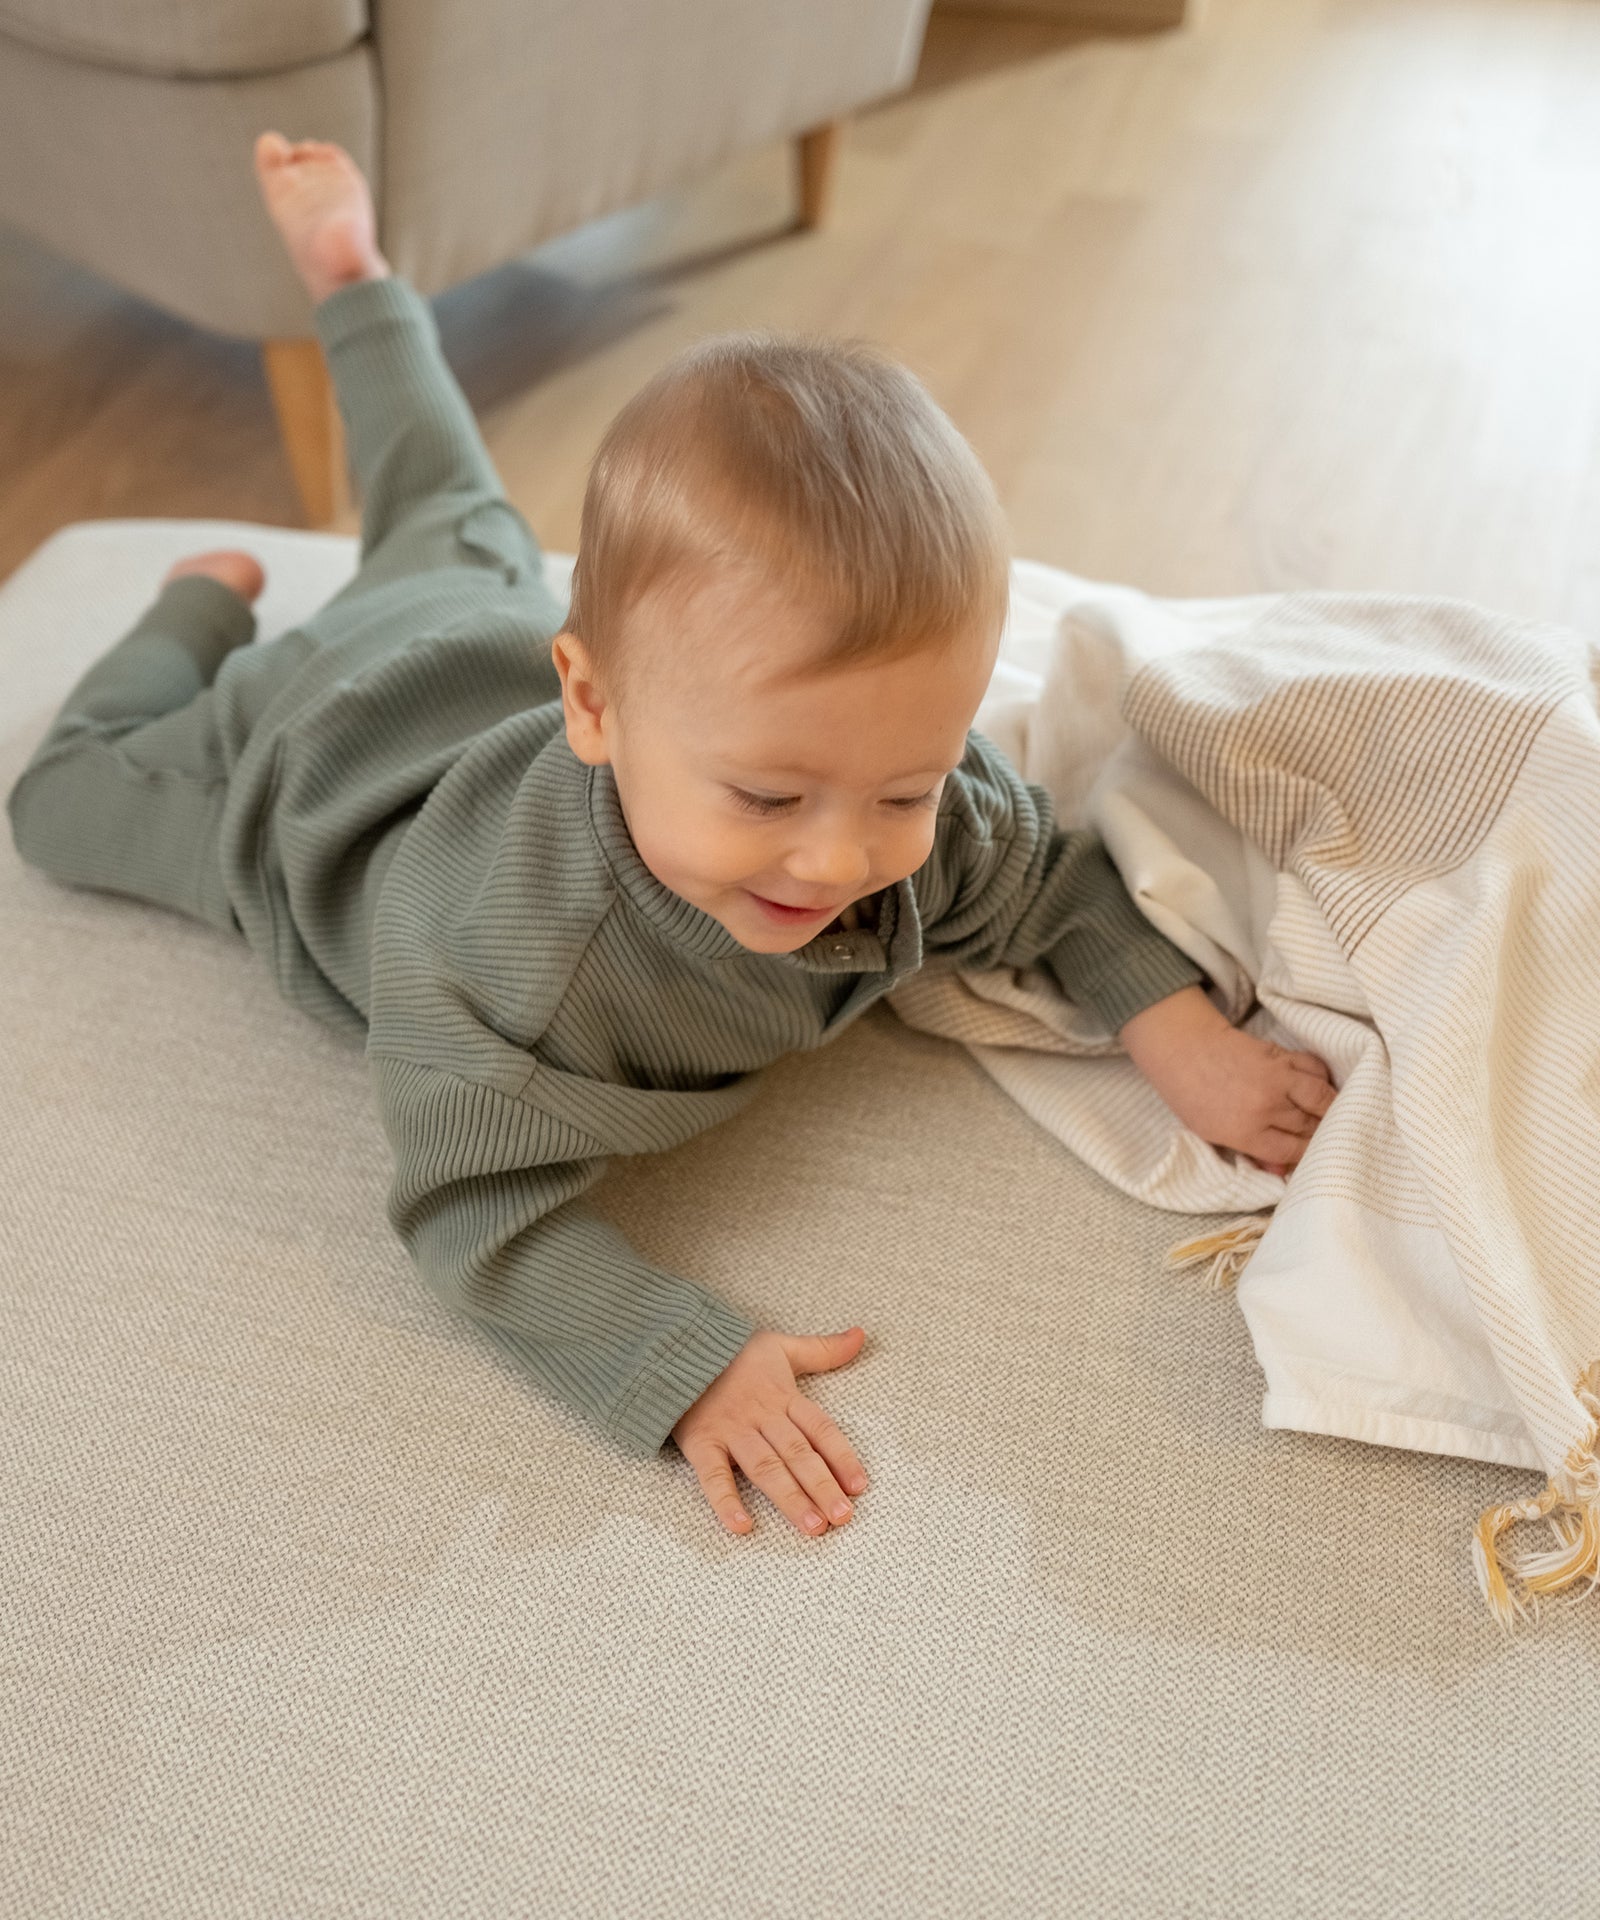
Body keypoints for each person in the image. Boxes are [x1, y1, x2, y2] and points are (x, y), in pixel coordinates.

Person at [7, 132, 1336, 1543]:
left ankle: (353, 274)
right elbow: (473, 1216)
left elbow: (1042, 880)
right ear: (593, 706)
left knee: (446, 512)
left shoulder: (909, 799)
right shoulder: (515, 974)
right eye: (767, 800)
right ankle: (195, 608)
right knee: (58, 805)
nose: (839, 862)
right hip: (308, 761)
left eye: (904, 789)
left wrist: (1179, 1032)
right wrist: (682, 1359)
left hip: (482, 632)